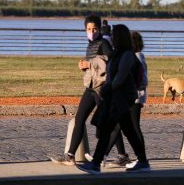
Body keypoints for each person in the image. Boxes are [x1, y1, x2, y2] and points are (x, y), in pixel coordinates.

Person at [78, 25, 150, 174]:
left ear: (120, 37)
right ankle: (143, 161)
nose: (111, 38)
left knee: (107, 129)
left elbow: (120, 77)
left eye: (114, 35)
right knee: (128, 130)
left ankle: (96, 164)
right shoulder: (117, 53)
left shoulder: (127, 55)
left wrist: (107, 88)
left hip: (122, 97)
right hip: (117, 97)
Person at [50, 14, 113, 165]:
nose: (91, 31)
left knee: (109, 123)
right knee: (79, 118)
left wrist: (89, 64)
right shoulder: (90, 44)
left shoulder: (103, 43)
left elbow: (111, 61)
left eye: (94, 29)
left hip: (102, 89)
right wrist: (83, 66)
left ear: (99, 29)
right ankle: (70, 155)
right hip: (91, 88)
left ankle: (122, 155)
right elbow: (94, 66)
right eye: (88, 29)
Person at [102, 31, 148, 167]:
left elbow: (142, 79)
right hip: (129, 97)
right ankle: (112, 155)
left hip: (134, 98)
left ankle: (142, 159)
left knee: (133, 128)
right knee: (118, 126)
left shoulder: (137, 57)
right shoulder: (133, 56)